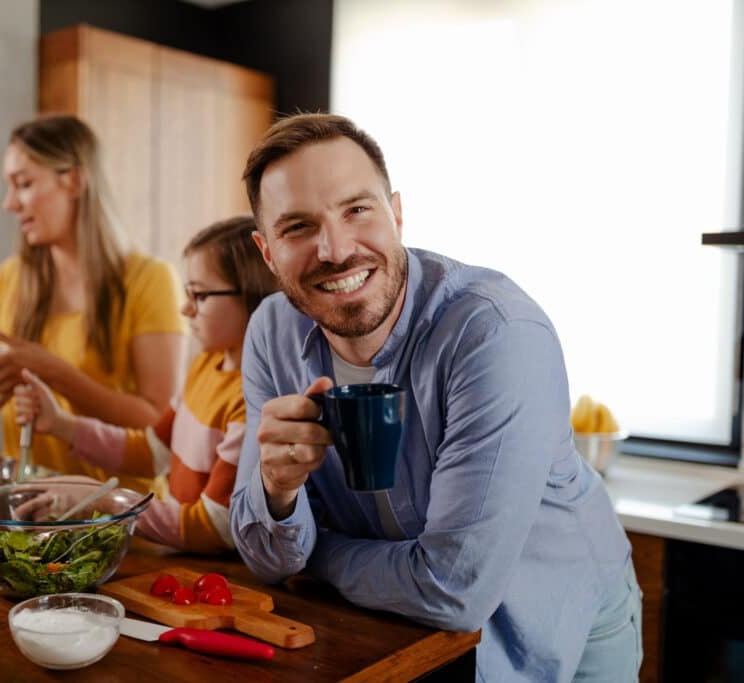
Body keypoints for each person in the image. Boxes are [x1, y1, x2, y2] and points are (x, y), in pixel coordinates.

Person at [229, 113, 642, 681]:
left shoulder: (496, 333)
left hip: (560, 625)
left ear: (396, 214)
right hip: (399, 630)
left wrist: (316, 554)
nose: (335, 249)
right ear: (268, 252)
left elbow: (454, 591)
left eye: (357, 209)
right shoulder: (270, 333)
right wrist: (276, 491)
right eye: (297, 227)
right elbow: (262, 556)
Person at [0, 115, 187, 490]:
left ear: (73, 180)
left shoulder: (150, 280)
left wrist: (55, 372)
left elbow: (156, 423)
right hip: (29, 517)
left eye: (23, 184)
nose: (9, 203)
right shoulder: (12, 277)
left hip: (121, 526)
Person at [13, 216, 278, 552]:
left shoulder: (249, 400)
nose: (185, 308)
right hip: (179, 558)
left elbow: (216, 527)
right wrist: (64, 426)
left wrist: (107, 502)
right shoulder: (205, 365)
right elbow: (153, 451)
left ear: (252, 296)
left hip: (219, 578)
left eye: (199, 295)